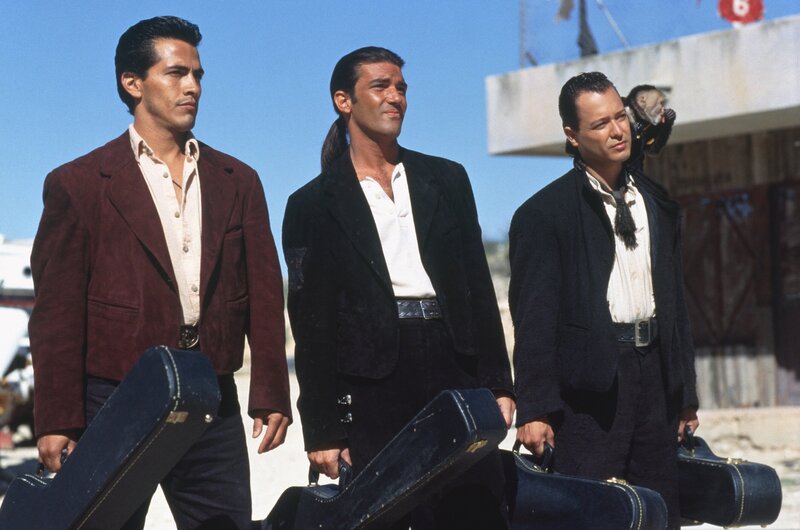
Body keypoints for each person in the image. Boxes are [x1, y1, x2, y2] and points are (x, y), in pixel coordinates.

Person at [29, 16, 291, 529]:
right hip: (113, 397)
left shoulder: (238, 180)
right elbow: (56, 314)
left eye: (197, 75)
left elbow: (264, 294)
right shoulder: (78, 184)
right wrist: (57, 419)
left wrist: (270, 390)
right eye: (176, 73)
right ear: (133, 82)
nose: (192, 86)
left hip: (211, 392)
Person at [283, 46, 514, 529]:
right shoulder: (312, 203)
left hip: (454, 363)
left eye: (401, 88)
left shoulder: (447, 179)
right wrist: (323, 428)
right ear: (344, 101)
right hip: (373, 381)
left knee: (475, 507)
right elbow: (312, 323)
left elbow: (477, 285)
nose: (396, 97)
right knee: (392, 514)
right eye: (381, 86)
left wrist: (499, 384)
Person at [509, 71, 699, 530]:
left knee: (658, 514)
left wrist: (685, 395)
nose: (617, 131)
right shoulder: (544, 214)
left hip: (655, 380)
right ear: (572, 136)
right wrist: (534, 408)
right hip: (588, 388)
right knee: (593, 514)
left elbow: (675, 306)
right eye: (600, 124)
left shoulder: (656, 203)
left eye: (620, 117)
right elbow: (534, 319)